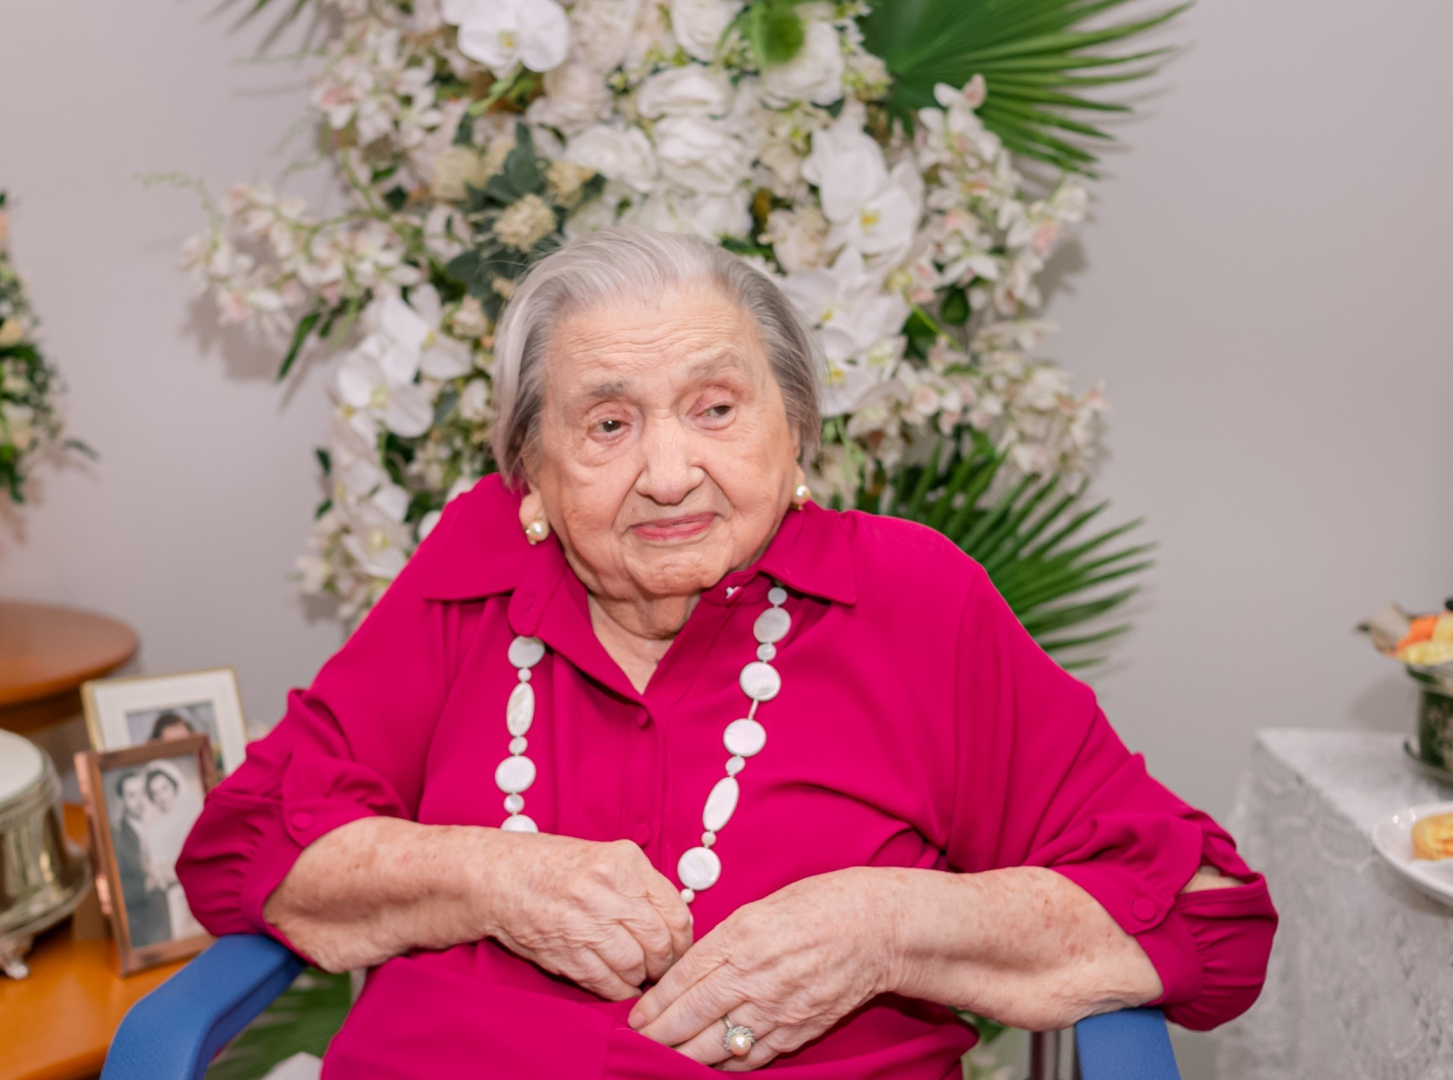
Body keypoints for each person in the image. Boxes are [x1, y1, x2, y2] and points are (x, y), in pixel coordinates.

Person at [178, 228, 1277, 1077]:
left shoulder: (911, 601)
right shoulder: (475, 572)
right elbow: (245, 843)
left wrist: (886, 926)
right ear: (530, 472)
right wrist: (493, 879)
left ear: (793, 429)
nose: (667, 475)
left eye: (714, 408)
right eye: (608, 425)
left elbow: (1202, 910)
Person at [142, 763, 206, 942]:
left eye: (165, 788)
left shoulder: (195, 815)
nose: (162, 796)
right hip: (176, 895)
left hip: (204, 888)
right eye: (155, 793)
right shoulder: (154, 830)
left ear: (174, 786)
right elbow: (159, 869)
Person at [113, 769, 171, 948]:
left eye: (142, 793)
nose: (140, 801)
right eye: (132, 795)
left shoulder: (162, 823)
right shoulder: (118, 838)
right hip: (150, 928)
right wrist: (148, 883)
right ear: (122, 800)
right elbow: (120, 889)